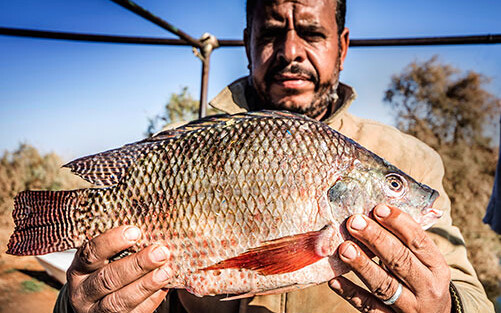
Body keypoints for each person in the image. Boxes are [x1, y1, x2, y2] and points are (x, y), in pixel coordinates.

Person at [54, 0, 494, 312]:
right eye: (270, 33)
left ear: (341, 47)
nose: (289, 52)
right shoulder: (178, 146)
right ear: (247, 43)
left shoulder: (411, 158)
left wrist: (447, 307)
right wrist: (78, 307)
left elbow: (471, 296)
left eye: (312, 33)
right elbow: (98, 285)